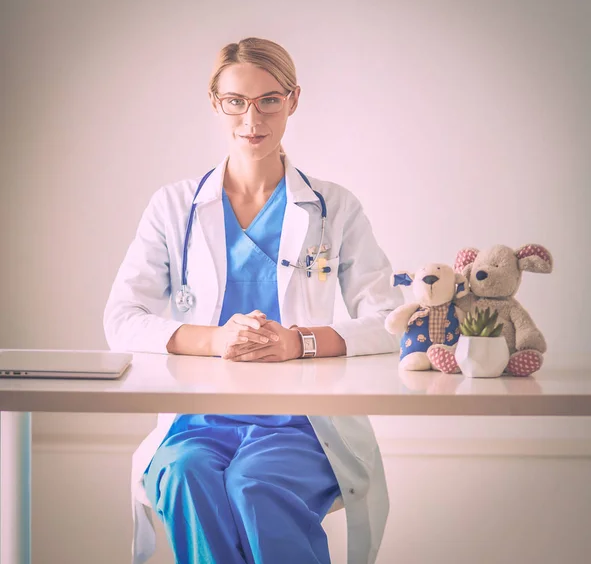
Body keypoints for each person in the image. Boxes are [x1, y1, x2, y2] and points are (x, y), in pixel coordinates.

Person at [104, 37, 403, 564]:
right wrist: (215, 339)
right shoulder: (175, 206)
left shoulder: (334, 207)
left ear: (293, 100)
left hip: (304, 421)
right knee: (183, 473)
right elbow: (123, 319)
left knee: (255, 484)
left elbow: (389, 321)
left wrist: (300, 342)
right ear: (215, 102)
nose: (252, 117)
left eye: (269, 99)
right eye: (236, 101)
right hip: (199, 417)